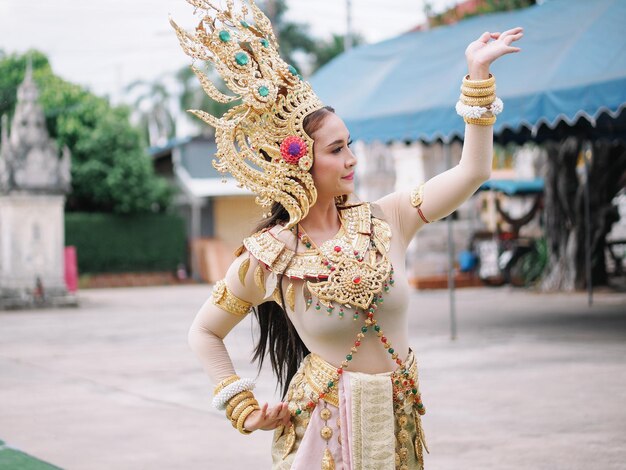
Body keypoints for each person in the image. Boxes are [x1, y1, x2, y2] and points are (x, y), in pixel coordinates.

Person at [171, 2, 522, 469]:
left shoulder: (390, 217)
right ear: (299, 161)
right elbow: (204, 331)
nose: (352, 158)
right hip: (323, 438)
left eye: (350, 144)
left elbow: (473, 171)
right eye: (337, 150)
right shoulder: (270, 257)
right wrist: (242, 407)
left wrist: (477, 74)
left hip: (398, 426)